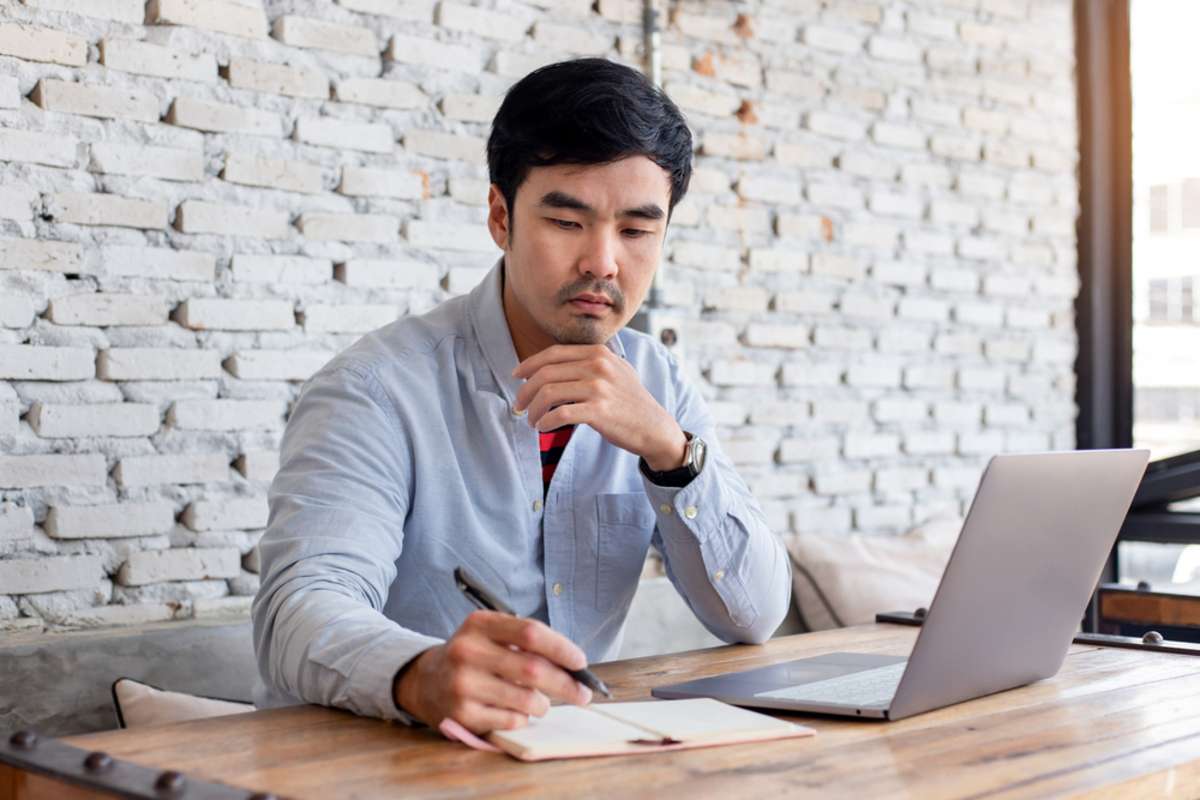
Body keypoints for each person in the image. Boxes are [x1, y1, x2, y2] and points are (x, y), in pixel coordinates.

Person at [252, 57, 791, 735]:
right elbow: (296, 612)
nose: (602, 261)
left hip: (570, 757)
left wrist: (670, 451)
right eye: (568, 223)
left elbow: (755, 613)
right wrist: (419, 674)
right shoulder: (376, 389)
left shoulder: (658, 383)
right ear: (501, 218)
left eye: (635, 230)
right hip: (384, 757)